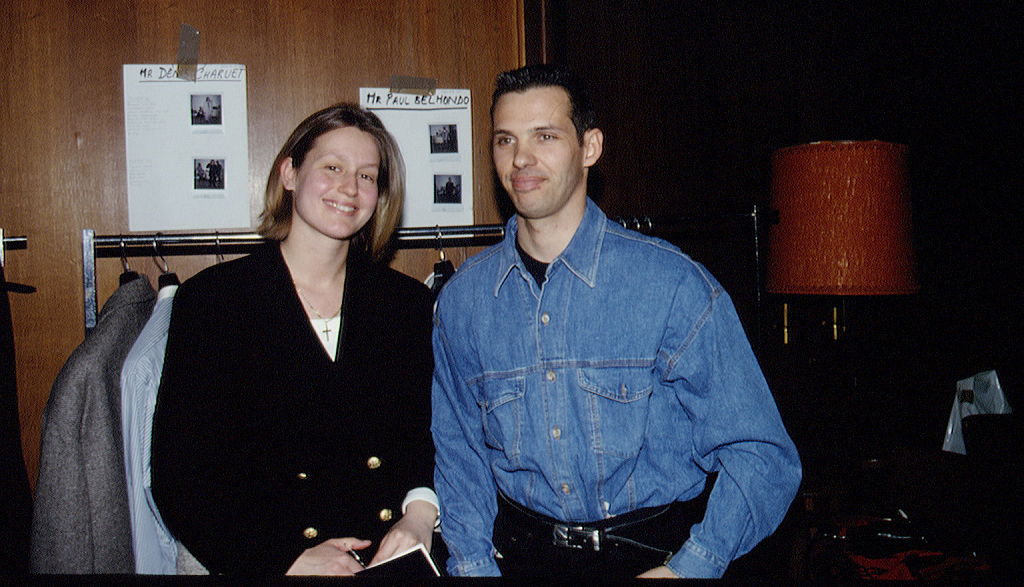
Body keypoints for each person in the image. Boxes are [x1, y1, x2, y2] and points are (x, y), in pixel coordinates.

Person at [431, 65, 801, 579]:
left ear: (590, 147)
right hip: (519, 558)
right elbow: (460, 454)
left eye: (545, 136)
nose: (521, 159)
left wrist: (693, 566)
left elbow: (761, 454)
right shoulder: (463, 303)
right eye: (505, 140)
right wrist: (472, 566)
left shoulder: (672, 286)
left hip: (654, 558)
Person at [152, 103, 438, 575]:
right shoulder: (214, 301)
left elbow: (426, 435)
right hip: (257, 560)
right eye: (333, 168)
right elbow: (180, 474)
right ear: (289, 172)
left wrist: (420, 515)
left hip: (384, 555)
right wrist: (286, 557)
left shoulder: (405, 304)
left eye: (367, 176)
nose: (350, 187)